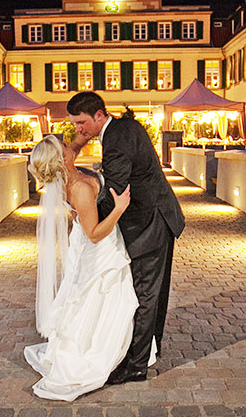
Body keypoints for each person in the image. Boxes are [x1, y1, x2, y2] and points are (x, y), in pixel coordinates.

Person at [67, 91, 185, 384]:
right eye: (74, 125)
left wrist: (86, 211)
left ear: (98, 115)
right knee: (154, 294)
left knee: (145, 294)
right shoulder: (123, 127)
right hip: (159, 216)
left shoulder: (116, 142)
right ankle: (148, 351)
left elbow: (116, 190)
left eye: (81, 123)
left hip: (148, 224)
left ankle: (135, 367)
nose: (78, 130)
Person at [24, 135, 139, 401]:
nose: (70, 147)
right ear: (61, 158)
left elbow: (79, 214)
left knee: (82, 295)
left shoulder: (64, 181)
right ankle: (92, 353)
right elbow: (96, 233)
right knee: (100, 297)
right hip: (98, 249)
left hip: (81, 243)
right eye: (65, 147)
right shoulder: (79, 188)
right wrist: (119, 208)